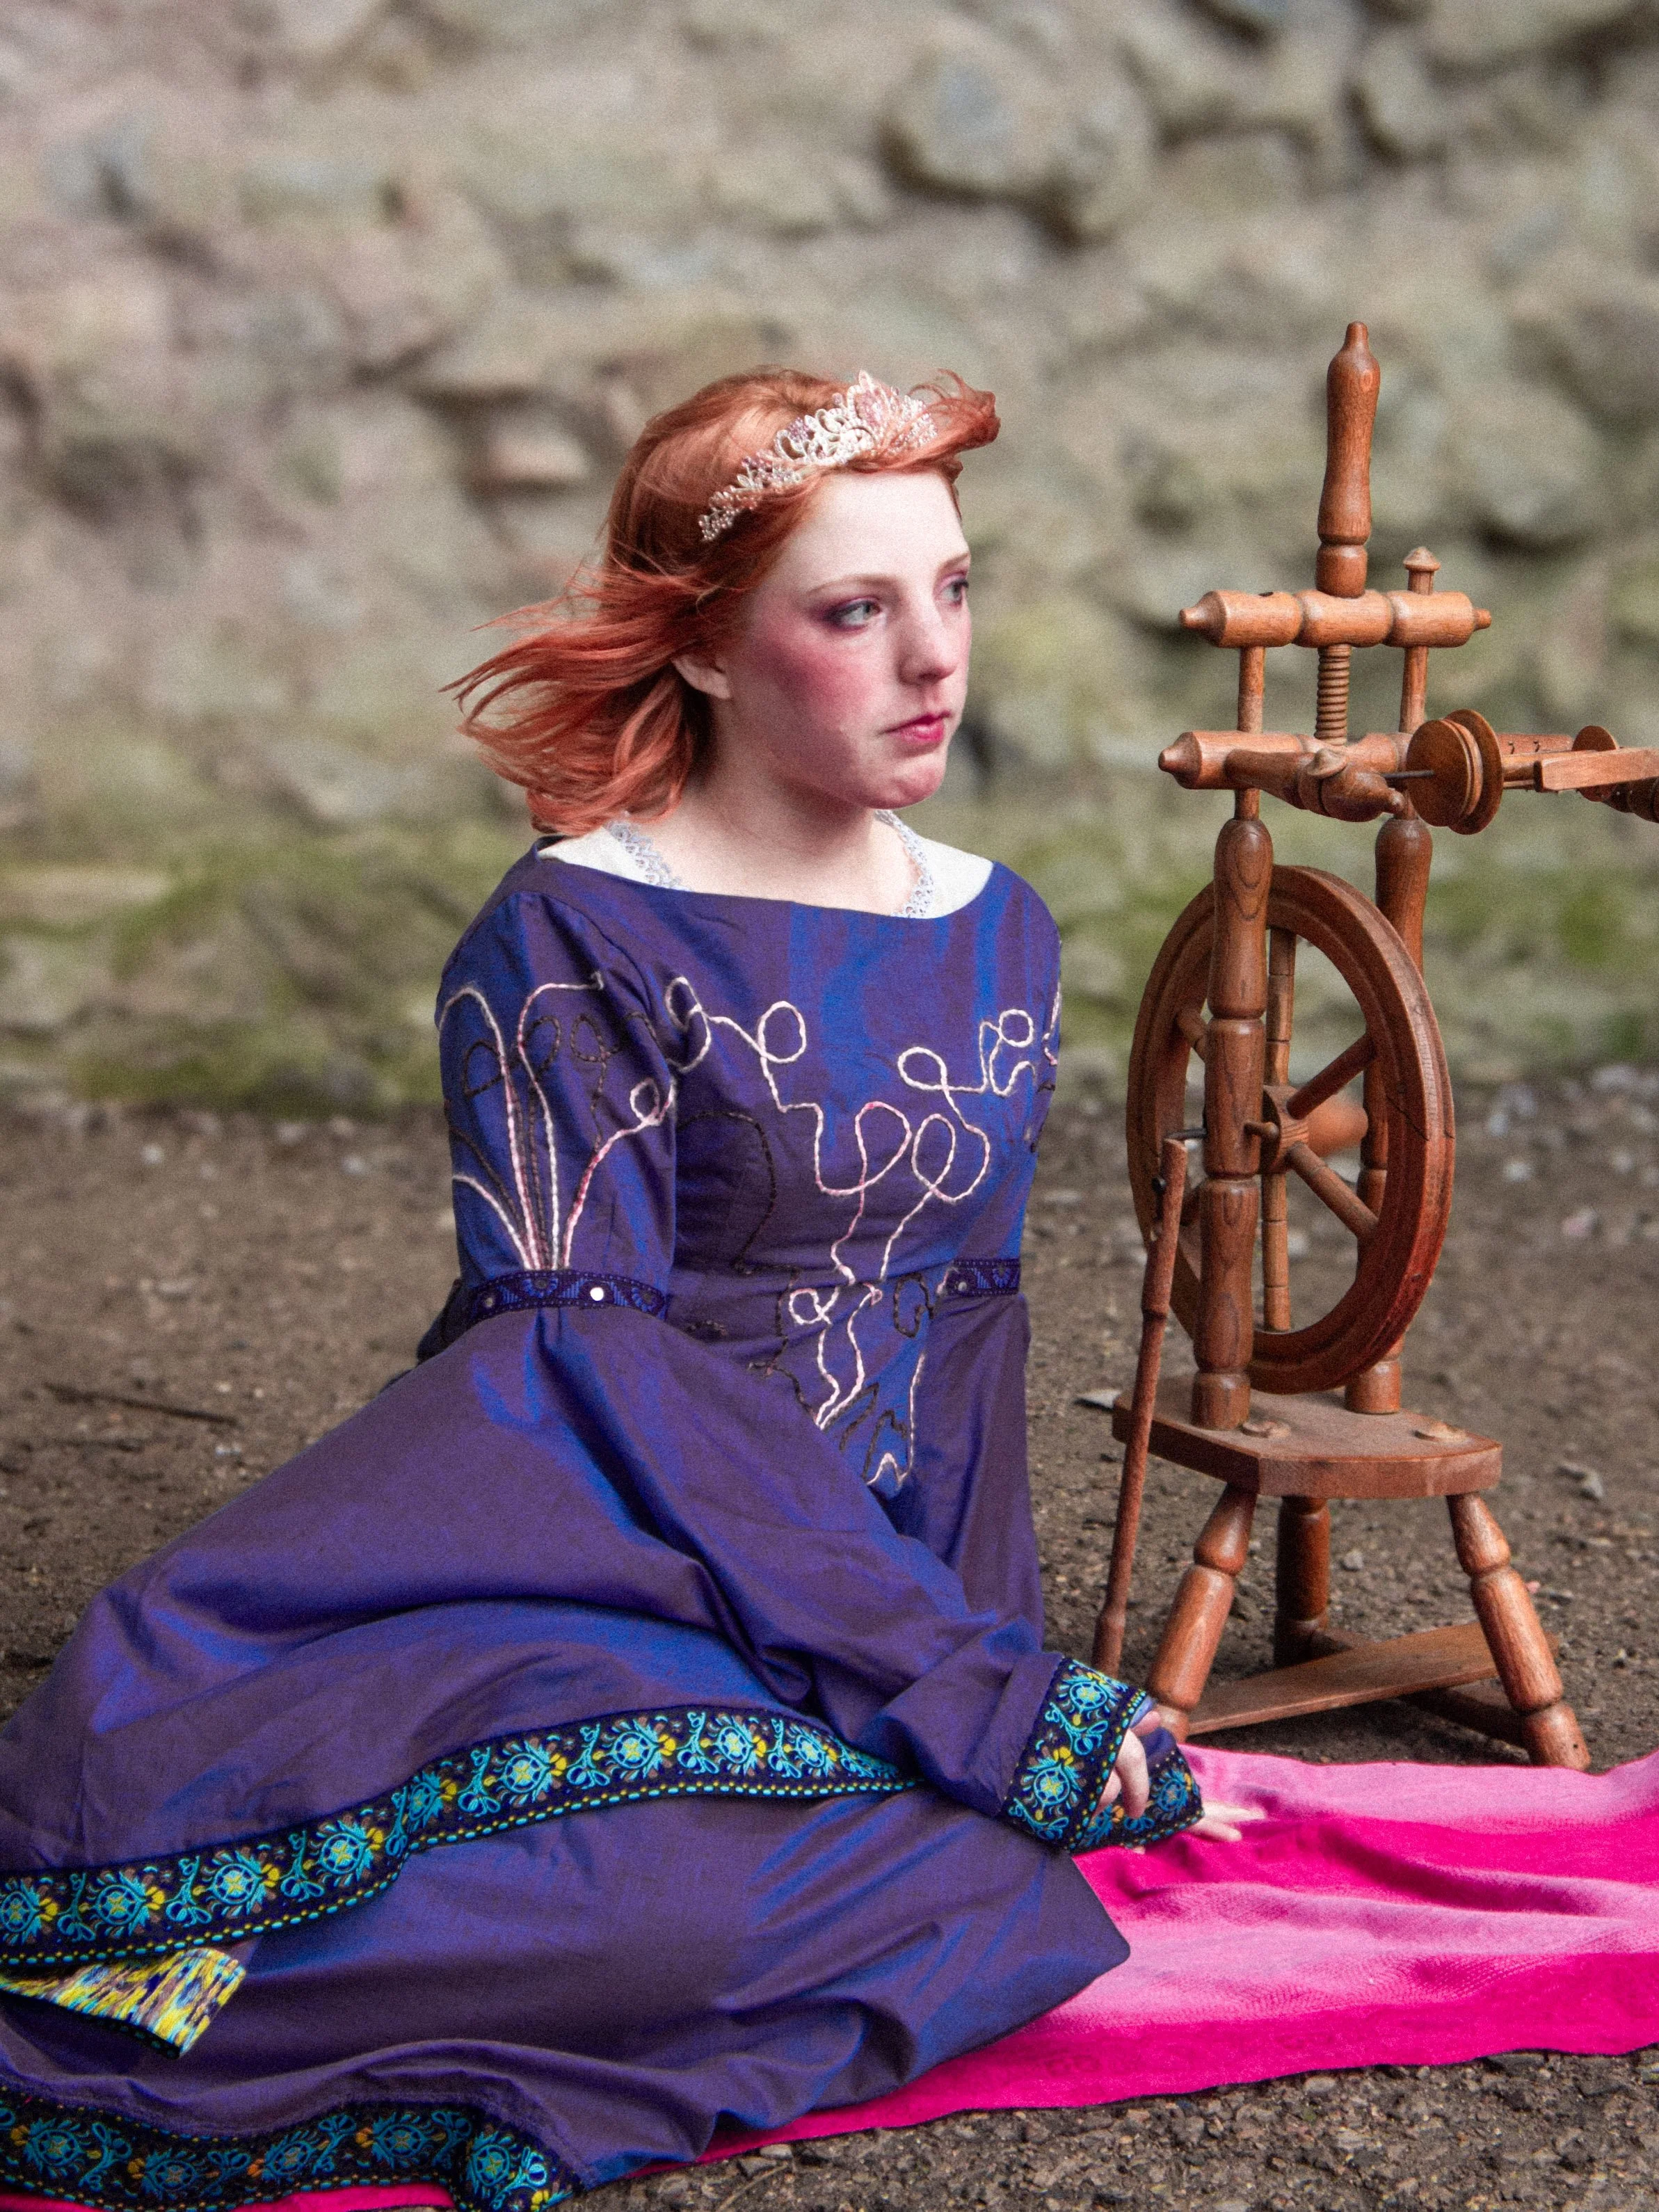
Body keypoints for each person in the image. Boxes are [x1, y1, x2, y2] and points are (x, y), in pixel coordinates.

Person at [0, 368, 1249, 2212]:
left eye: (956, 590)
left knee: (978, 1872)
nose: (935, 658)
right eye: (855, 609)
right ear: (716, 652)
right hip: (594, 1537)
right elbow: (599, 1373)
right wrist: (969, 1702)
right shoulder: (571, 934)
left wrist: (992, 1684)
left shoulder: (1003, 930)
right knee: (669, 1892)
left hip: (861, 1599)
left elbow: (966, 1328)